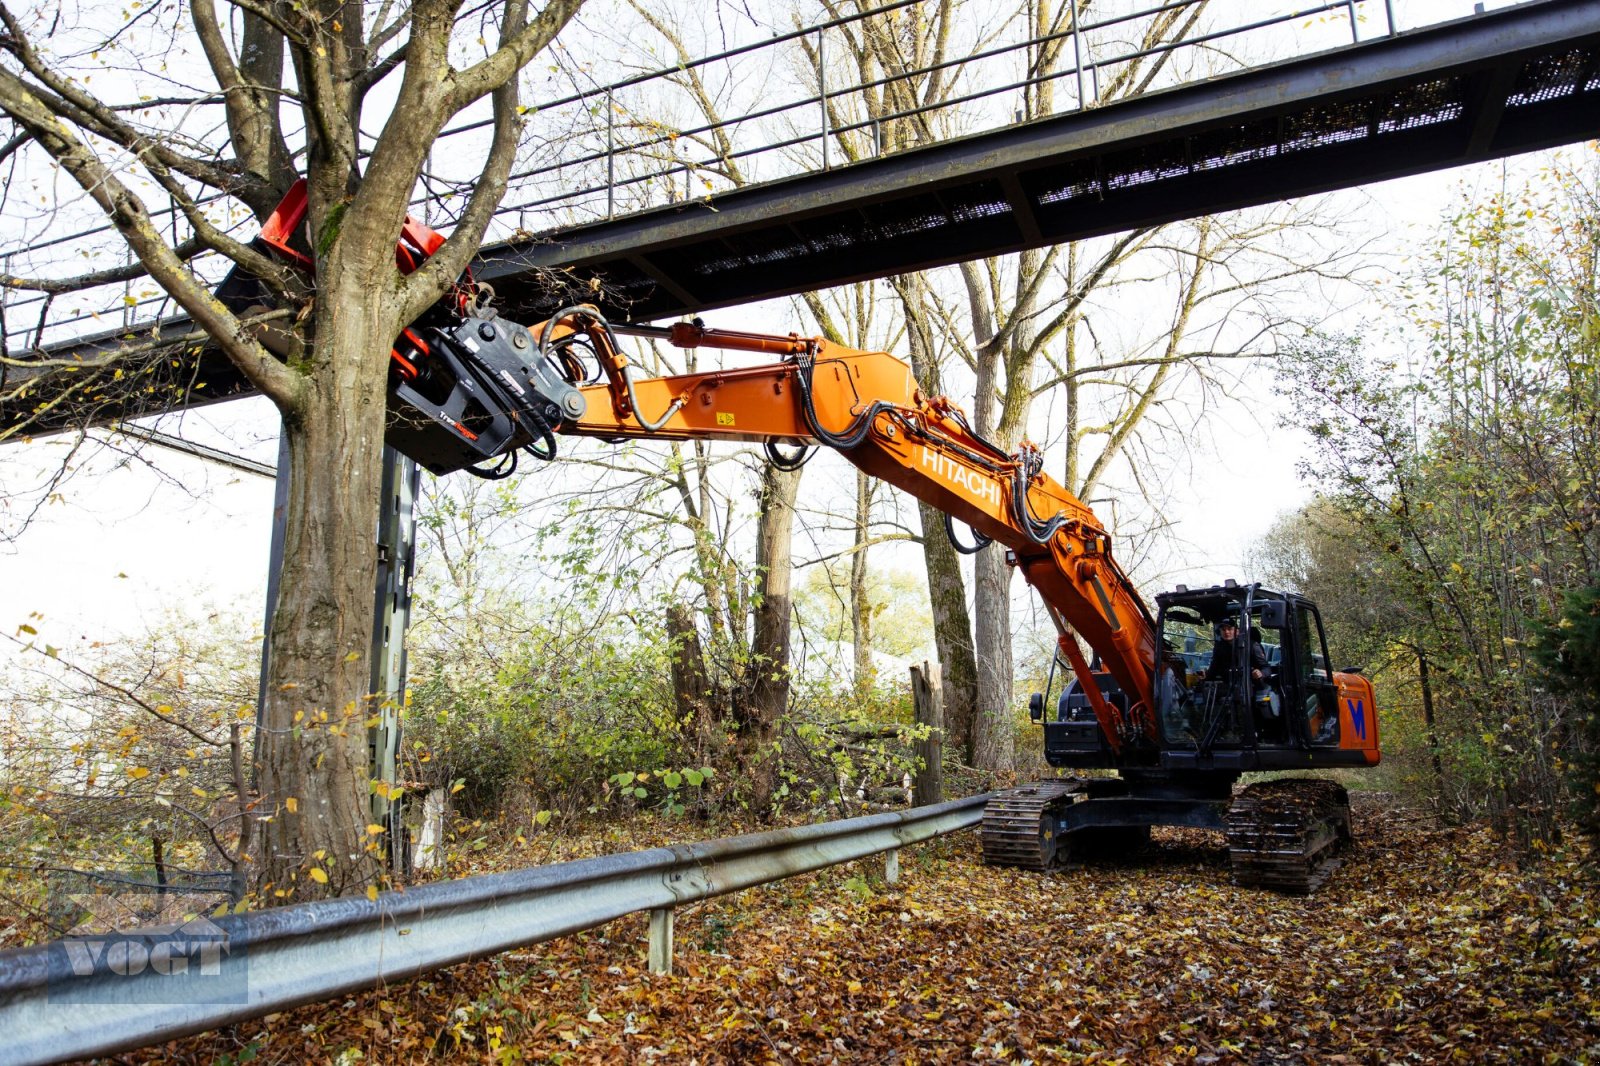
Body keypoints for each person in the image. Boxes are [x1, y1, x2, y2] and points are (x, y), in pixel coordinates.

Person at [1196, 619, 1268, 685]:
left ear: (1237, 631)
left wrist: (1261, 673)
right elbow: (1214, 668)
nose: (1226, 632)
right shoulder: (1219, 647)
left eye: (1230, 629)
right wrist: (1205, 676)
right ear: (1220, 632)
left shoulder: (1251, 645)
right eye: (1223, 630)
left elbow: (1266, 668)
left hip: (1250, 686)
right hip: (1228, 686)